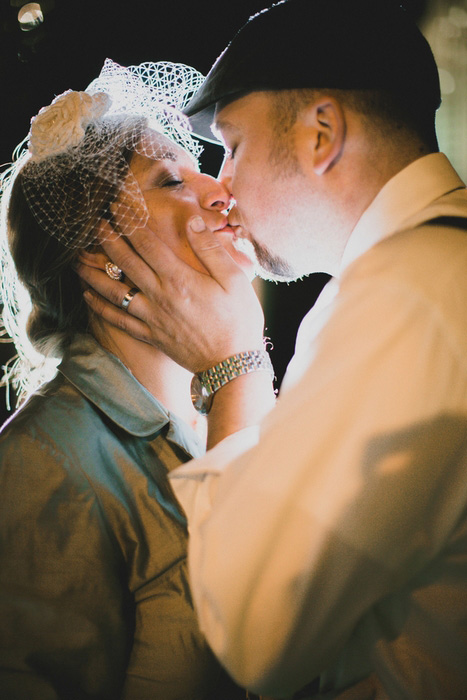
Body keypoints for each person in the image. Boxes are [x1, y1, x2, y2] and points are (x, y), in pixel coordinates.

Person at [76, 1, 467, 698]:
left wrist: (233, 364)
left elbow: (255, 636)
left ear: (320, 133)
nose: (219, 185)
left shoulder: (403, 294)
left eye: (233, 145)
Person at [0, 58, 263, 699]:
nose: (220, 193)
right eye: (172, 180)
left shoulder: (218, 411)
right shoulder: (41, 462)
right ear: (101, 254)